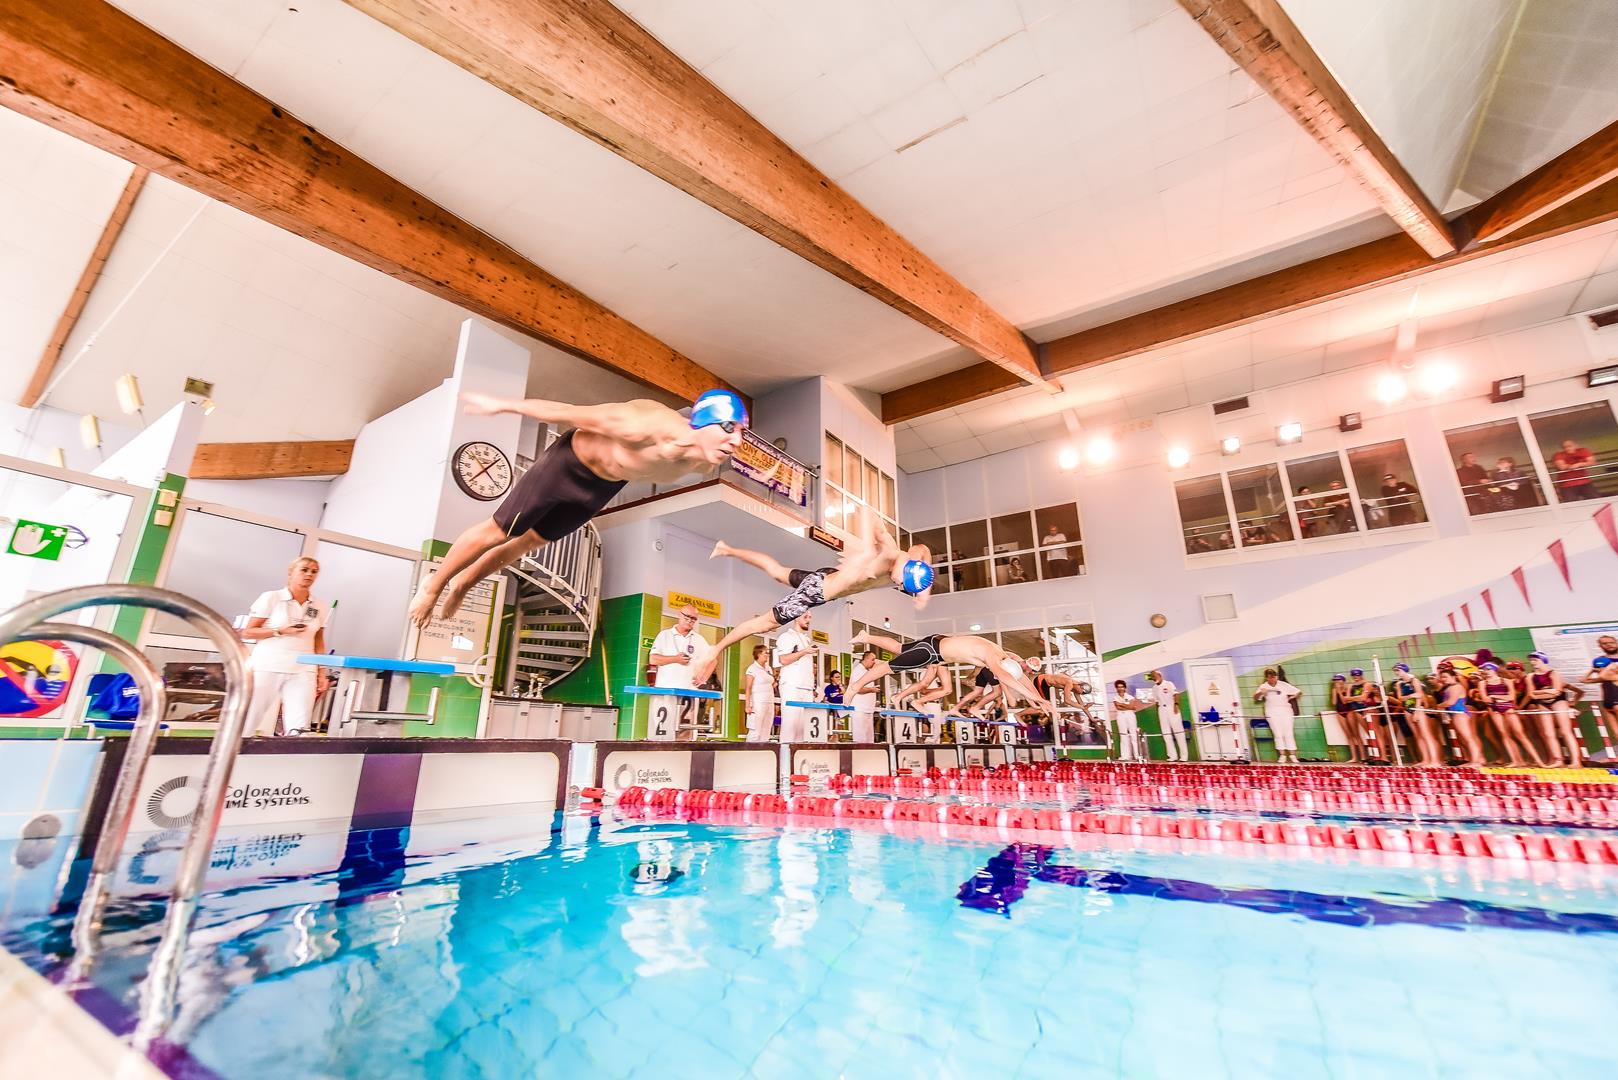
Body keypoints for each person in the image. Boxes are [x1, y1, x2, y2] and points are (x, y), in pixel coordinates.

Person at [408, 389, 748, 627]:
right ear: (702, 421)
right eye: (728, 428)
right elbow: (566, 411)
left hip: (604, 487)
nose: (736, 441)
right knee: (499, 531)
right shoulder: (641, 424)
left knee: (529, 543)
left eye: (741, 432)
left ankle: (464, 583)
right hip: (567, 465)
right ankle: (434, 584)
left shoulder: (705, 463)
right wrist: (502, 404)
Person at [691, 511, 932, 684]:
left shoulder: (909, 559)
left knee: (778, 572)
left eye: (903, 586)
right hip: (817, 590)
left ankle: (727, 549)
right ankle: (715, 649)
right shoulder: (889, 551)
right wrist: (867, 547)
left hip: (826, 578)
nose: (898, 584)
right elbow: (870, 516)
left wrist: (925, 593)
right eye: (901, 581)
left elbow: (922, 549)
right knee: (764, 624)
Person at [845, 631, 1053, 720]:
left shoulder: (1005, 654)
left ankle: (866, 636)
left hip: (937, 642)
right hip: (932, 652)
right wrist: (1034, 698)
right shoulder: (993, 658)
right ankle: (854, 687)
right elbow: (1008, 678)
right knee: (890, 667)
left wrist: (1041, 700)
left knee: (900, 648)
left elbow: (1021, 677)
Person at [242, 557, 330, 738]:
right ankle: (233, 750)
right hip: (268, 666)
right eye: (304, 570)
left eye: (314, 571)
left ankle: (293, 754)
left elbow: (318, 640)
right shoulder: (272, 598)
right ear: (291, 572)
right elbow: (248, 632)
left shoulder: (318, 605)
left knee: (300, 726)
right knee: (249, 717)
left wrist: (322, 671)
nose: (309, 574)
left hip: (303, 669)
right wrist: (280, 631)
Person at [649, 605, 704, 738]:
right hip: (666, 692)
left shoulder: (698, 639)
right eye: (687, 616)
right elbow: (653, 659)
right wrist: (675, 659)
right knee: (662, 733)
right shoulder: (665, 635)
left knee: (685, 735)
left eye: (693, 618)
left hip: (688, 693)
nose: (690, 620)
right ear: (679, 615)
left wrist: (702, 677)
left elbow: (712, 660)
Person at [1480, 661, 1542, 766]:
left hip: (1508, 708)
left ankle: (1538, 760)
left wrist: (1494, 696)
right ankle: (1516, 760)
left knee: (1520, 734)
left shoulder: (1506, 681)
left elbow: (1511, 697)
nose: (1486, 671)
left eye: (1488, 669)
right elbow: (1485, 699)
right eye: (1484, 669)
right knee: (1504, 734)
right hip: (1494, 709)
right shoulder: (1482, 683)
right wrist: (1502, 698)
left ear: (1494, 670)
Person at [1525, 651, 1580, 767]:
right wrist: (1548, 691)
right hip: (1542, 704)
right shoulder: (1530, 676)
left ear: (1543, 660)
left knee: (1566, 731)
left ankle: (1576, 761)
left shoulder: (1554, 673)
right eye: (1531, 660)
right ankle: (1558, 760)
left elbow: (1557, 692)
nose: (1533, 662)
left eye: (1535, 660)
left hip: (1558, 702)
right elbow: (1531, 695)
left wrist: (1539, 693)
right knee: (1548, 733)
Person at [773, 612, 818, 743]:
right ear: (797, 617)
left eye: (810, 617)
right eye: (805, 617)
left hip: (806, 687)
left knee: (803, 729)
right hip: (792, 686)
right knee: (790, 726)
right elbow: (783, 659)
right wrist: (804, 651)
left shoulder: (806, 639)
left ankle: (799, 754)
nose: (808, 620)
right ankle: (785, 754)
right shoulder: (786, 637)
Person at [1390, 663, 1443, 766]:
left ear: (1404, 670)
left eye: (1398, 670)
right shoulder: (1399, 684)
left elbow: (1420, 695)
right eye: (1395, 671)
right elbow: (1400, 698)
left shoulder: (1414, 680)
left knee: (1426, 735)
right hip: (1407, 710)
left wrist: (1417, 710)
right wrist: (1412, 695)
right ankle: (1425, 760)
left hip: (1418, 708)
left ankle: (1435, 760)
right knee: (1418, 736)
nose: (1396, 673)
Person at [1252, 668, 1302, 764]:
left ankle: (1292, 755)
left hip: (1285, 710)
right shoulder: (1263, 686)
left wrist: (1292, 697)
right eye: (1269, 677)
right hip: (1271, 711)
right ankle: (1282, 755)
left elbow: (1298, 692)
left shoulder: (1283, 685)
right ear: (1266, 678)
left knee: (1288, 732)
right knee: (1277, 733)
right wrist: (1261, 693)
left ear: (1276, 677)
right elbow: (1255, 697)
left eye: (1273, 677)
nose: (1272, 679)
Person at [1437, 668, 1482, 765]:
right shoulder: (1449, 687)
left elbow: (1451, 702)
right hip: (1456, 714)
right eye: (1442, 677)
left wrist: (1438, 706)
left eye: (1445, 677)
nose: (1443, 679)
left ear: (1453, 676)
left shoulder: (1456, 687)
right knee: (1465, 738)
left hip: (1460, 714)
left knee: (1468, 738)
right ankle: (1474, 760)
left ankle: (1476, 761)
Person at [1585, 636, 1618, 760]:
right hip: (1608, 696)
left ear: (1616, 642)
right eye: (1604, 643)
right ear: (1600, 646)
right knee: (1615, 731)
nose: (1608, 645)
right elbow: (1602, 679)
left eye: (1611, 642)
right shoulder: (1599, 661)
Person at [1147, 670, 1185, 761]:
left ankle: (1184, 756)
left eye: (1154, 676)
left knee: (1178, 732)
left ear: (1159, 675)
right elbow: (1156, 702)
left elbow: (1176, 695)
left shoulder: (1169, 684)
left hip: (1172, 708)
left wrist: (1176, 705)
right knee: (1166, 734)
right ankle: (1172, 756)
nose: (1153, 678)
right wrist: (1158, 713)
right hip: (1162, 710)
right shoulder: (1154, 688)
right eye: (1152, 677)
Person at [742, 644, 775, 743]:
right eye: (765, 653)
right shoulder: (752, 668)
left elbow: (771, 684)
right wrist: (747, 705)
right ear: (758, 654)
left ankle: (763, 749)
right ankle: (749, 749)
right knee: (755, 730)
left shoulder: (768, 668)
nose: (767, 655)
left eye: (768, 653)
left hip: (769, 701)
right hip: (758, 702)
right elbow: (748, 687)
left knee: (766, 730)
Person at [1110, 679, 1148, 761]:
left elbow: (1132, 706)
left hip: (1130, 716)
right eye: (1118, 687)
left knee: (1133, 735)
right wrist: (1128, 706)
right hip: (1120, 716)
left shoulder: (1130, 697)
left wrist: (1122, 704)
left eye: (1122, 687)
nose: (1120, 688)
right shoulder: (1115, 698)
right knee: (1123, 735)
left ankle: (1137, 755)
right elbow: (1118, 707)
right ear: (1116, 688)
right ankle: (1125, 755)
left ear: (1125, 688)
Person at [849, 651, 880, 742]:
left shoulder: (867, 672)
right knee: (860, 740)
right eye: (872, 660)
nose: (874, 662)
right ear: (866, 659)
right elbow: (857, 689)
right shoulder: (858, 671)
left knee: (869, 740)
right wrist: (871, 690)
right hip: (860, 709)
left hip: (868, 709)